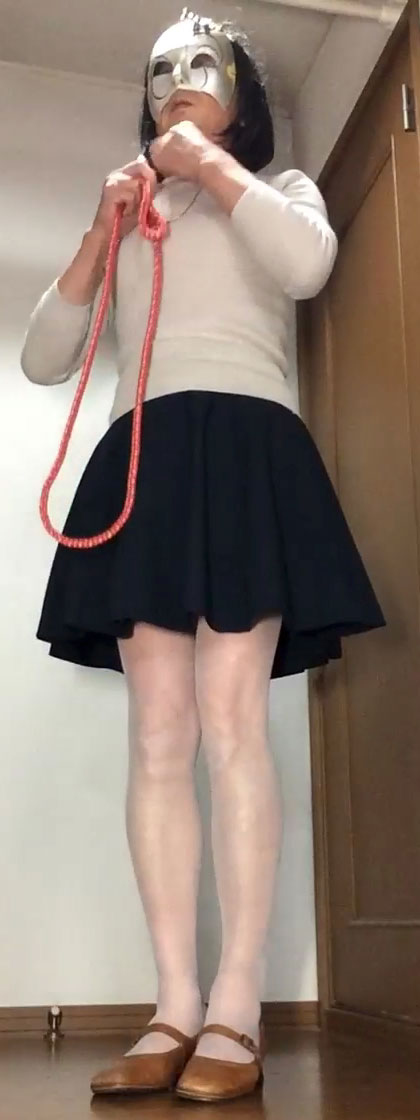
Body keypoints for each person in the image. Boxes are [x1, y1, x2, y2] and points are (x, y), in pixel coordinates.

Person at [21, 9, 385, 1104]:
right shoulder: (135, 214)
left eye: (199, 64)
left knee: (232, 724)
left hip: (249, 449)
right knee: (158, 734)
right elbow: (45, 357)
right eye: (160, 70)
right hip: (149, 454)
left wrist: (212, 172)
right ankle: (175, 1004)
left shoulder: (282, 187)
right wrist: (102, 229)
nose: (175, 79)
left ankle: (237, 1009)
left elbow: (307, 264)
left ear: (240, 93)